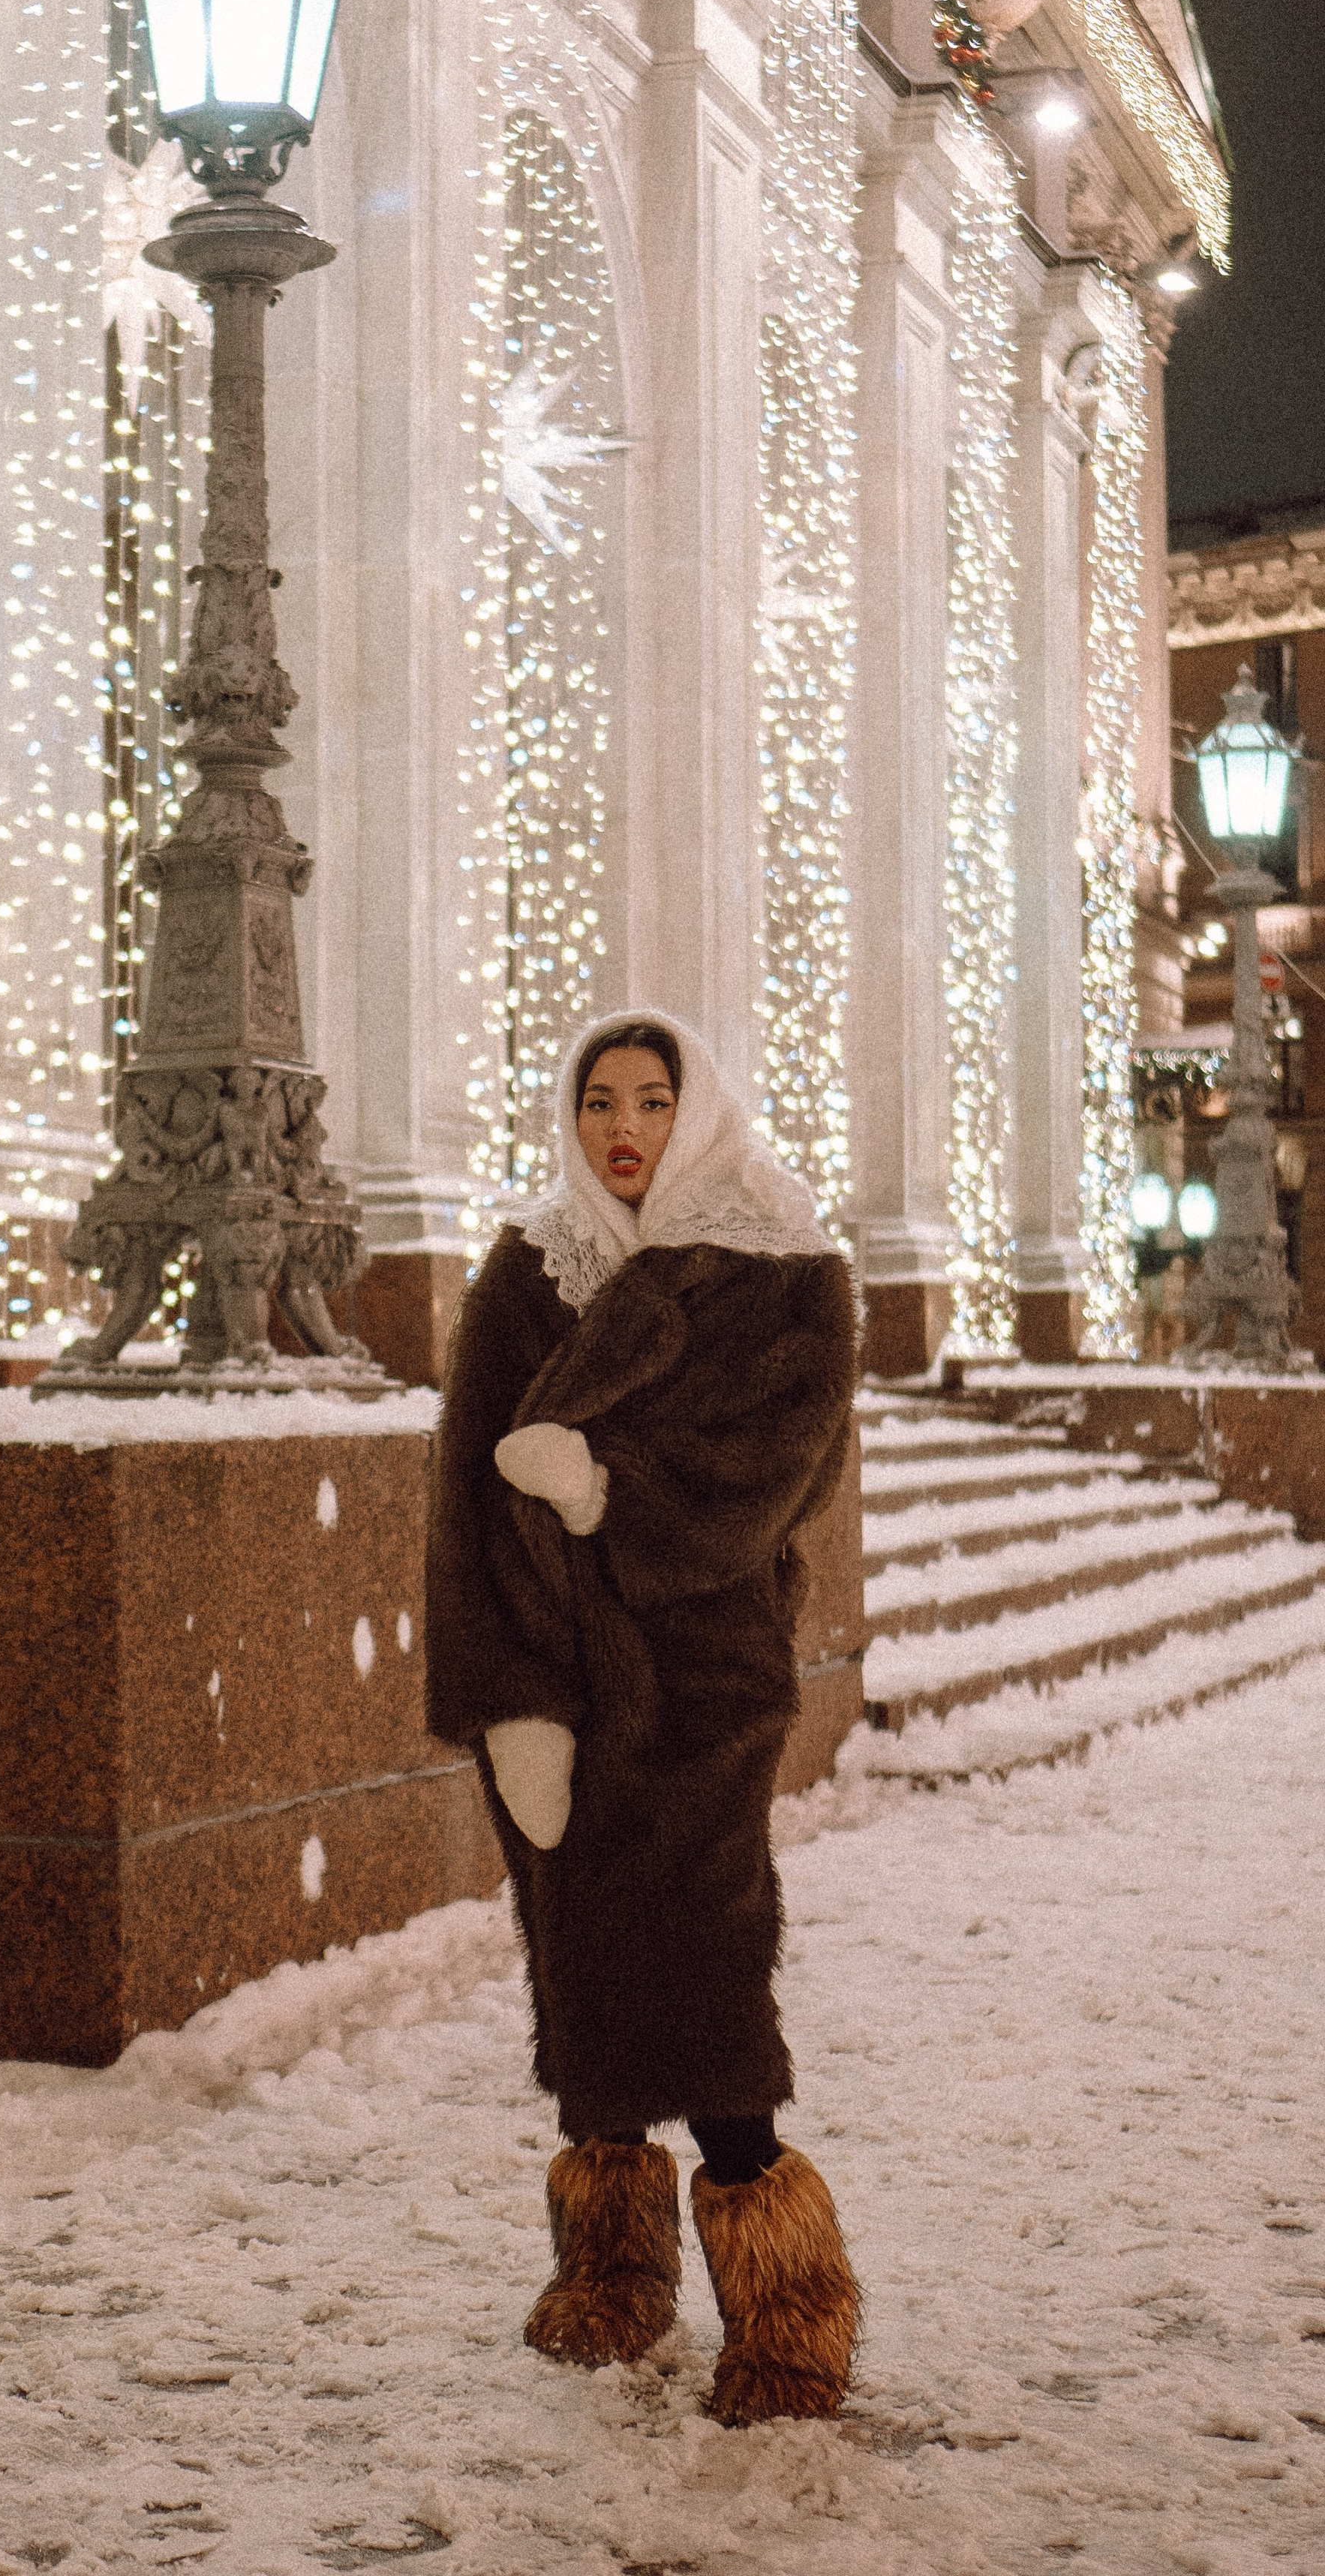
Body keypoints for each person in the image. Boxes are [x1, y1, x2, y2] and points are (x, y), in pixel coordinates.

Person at [425, 1008, 861, 2422]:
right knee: (581, 1956)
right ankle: (611, 2268)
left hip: (705, 1673)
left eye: (654, 1098)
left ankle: (786, 2303)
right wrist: (508, 1701)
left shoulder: (786, 1268)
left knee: (706, 1955)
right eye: (600, 1098)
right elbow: (461, 1504)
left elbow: (778, 1472)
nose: (624, 1126)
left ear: (697, 1110)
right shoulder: (525, 1272)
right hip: (551, 1674)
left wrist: (606, 1488)